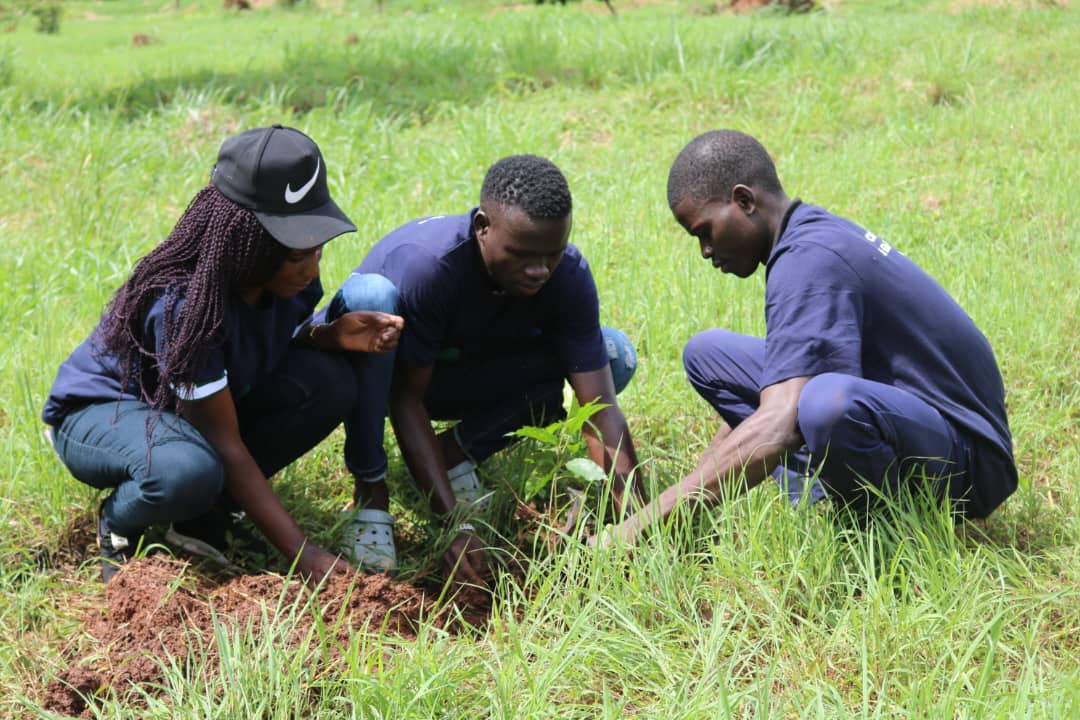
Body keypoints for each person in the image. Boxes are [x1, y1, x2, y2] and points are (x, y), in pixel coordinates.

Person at [596, 130, 1017, 546]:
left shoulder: (809, 262)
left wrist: (633, 531)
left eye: (705, 231)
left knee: (825, 404)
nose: (705, 250)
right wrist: (687, 507)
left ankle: (883, 535)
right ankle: (838, 490)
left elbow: (776, 425)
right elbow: (775, 391)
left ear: (744, 201)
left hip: (970, 463)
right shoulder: (806, 237)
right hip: (914, 417)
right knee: (708, 354)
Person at [42, 125, 404, 583]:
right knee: (186, 471)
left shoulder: (286, 280)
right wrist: (305, 555)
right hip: (103, 414)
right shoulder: (185, 306)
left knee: (330, 381)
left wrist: (327, 337)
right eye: (297, 255)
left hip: (187, 413)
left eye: (317, 249)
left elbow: (261, 346)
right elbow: (224, 443)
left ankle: (202, 518)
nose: (312, 269)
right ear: (245, 243)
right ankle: (120, 520)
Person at [319, 154, 644, 581]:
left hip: (466, 367)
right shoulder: (431, 268)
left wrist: (640, 517)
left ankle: (453, 451)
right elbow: (405, 397)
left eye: (553, 253)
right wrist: (457, 523)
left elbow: (599, 408)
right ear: (482, 227)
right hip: (381, 374)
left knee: (612, 353)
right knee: (373, 298)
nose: (539, 270)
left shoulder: (567, 275)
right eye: (522, 254)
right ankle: (372, 495)